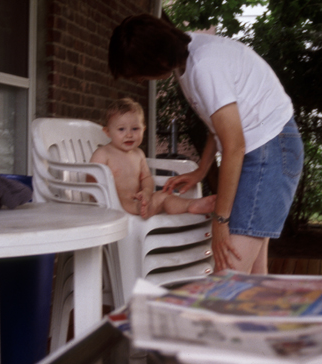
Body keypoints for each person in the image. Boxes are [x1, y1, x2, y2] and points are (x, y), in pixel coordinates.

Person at [108, 14, 304, 274]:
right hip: (265, 148)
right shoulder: (187, 60)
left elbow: (234, 146)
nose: (141, 80)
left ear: (157, 58)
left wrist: (220, 221)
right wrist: (201, 170)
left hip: (271, 149)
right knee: (255, 276)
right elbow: (219, 127)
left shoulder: (204, 65)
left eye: (139, 73)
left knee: (227, 274)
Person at [90, 97, 217, 219]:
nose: (129, 134)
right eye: (121, 129)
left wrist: (146, 191)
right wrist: (108, 198)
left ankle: (191, 205)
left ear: (143, 130)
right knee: (127, 201)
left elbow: (146, 178)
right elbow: (91, 181)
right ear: (107, 132)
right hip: (113, 204)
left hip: (139, 200)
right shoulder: (103, 153)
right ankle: (144, 207)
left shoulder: (138, 154)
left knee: (165, 196)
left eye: (135, 128)